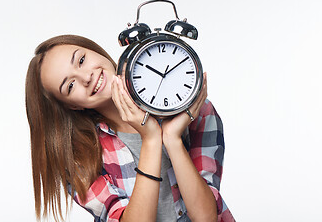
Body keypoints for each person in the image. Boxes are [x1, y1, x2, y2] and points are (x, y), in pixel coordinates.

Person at [25, 34, 235, 222]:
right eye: (70, 86)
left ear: (95, 50)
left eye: (81, 60)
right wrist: (151, 140)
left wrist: (172, 138)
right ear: (72, 105)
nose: (86, 77)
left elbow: (206, 217)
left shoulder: (192, 110)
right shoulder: (78, 157)